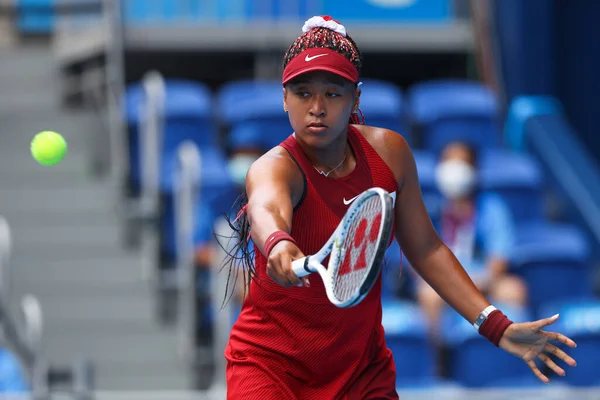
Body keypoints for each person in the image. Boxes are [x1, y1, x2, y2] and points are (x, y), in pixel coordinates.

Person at [223, 15, 577, 400]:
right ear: (284, 98)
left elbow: (425, 248)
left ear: (356, 98)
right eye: (303, 92)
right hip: (271, 369)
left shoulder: (389, 155)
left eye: (333, 93)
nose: (317, 107)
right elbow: (264, 207)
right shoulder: (274, 166)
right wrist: (276, 241)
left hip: (360, 372)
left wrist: (496, 326)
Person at [416, 141, 528, 338]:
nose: (453, 170)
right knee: (428, 295)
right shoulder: (430, 210)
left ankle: (516, 357)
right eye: (448, 162)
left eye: (461, 162)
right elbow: (417, 259)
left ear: (474, 169)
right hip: (443, 284)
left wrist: (474, 285)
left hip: (483, 282)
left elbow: (499, 261)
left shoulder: (492, 208)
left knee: (513, 290)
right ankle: (439, 361)